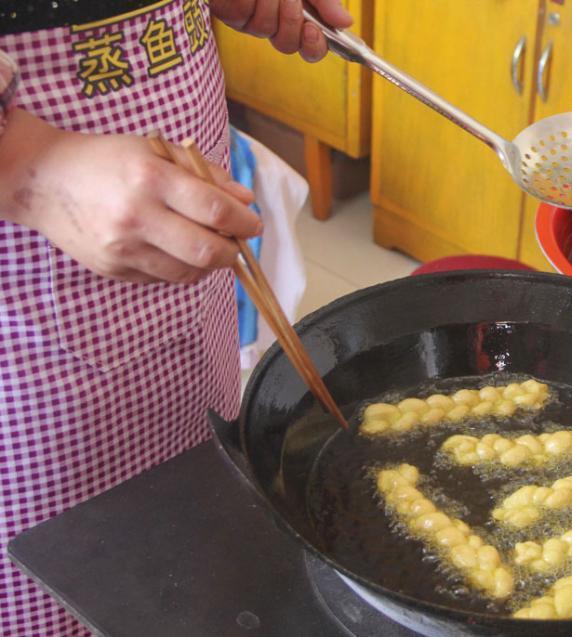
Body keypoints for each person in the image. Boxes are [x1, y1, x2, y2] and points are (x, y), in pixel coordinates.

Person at [0, 1, 352, 634]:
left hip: (184, 291)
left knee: (200, 536)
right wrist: (31, 165)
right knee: (75, 582)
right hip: (28, 307)